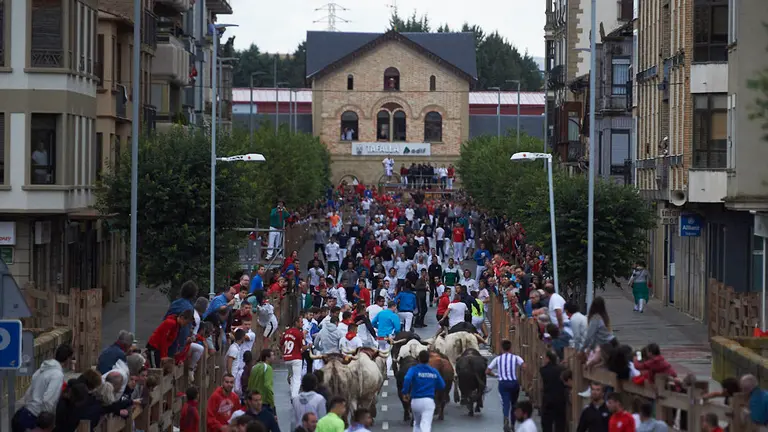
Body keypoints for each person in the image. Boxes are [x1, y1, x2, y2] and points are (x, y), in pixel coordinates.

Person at [12, 343, 73, 432]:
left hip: (25, 413)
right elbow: (49, 400)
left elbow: (28, 394)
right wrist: (48, 423)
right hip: (37, 418)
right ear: (68, 359)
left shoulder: (41, 370)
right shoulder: (57, 375)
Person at [402, 350, 446, 432]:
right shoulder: (433, 371)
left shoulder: (414, 369)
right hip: (429, 401)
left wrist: (405, 392)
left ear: (418, 359)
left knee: (417, 423)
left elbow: (407, 378)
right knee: (426, 424)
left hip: (415, 401)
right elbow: (442, 385)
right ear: (429, 359)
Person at [486, 339, 525, 432]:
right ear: (510, 348)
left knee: (505, 403)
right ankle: (513, 424)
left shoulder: (498, 359)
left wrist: (496, 375)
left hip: (503, 383)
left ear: (501, 348)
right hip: (514, 383)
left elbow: (487, 371)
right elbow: (524, 366)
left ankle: (506, 418)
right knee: (514, 404)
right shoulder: (516, 358)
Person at [540, 350, 567, 432]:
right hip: (560, 398)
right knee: (560, 422)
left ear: (548, 359)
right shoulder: (561, 369)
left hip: (548, 399)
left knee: (547, 423)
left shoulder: (543, 370)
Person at [283, 316, 306, 399]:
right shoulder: (299, 333)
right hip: (296, 358)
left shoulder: (286, 332)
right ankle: (294, 397)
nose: (302, 323)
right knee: (297, 378)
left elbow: (281, 344)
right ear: (296, 323)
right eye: (301, 322)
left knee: (292, 376)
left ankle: (293, 392)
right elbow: (303, 347)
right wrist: (309, 346)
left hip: (286, 358)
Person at [248, 349, 276, 414]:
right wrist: (272, 402)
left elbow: (249, 384)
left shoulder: (254, 367)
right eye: (272, 355)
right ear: (267, 357)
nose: (274, 357)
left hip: (253, 402)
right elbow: (267, 386)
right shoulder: (268, 368)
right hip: (264, 402)